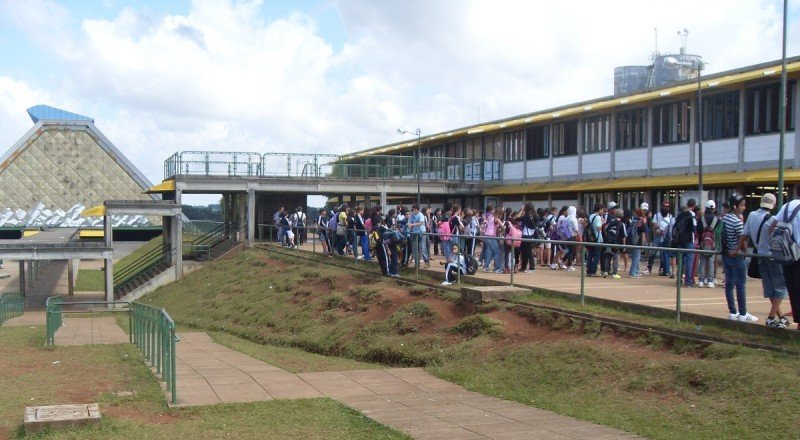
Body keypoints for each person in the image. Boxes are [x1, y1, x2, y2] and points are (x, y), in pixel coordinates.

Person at [741, 193, 787, 328]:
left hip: (760, 255)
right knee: (779, 288)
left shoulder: (752, 215)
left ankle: (781, 317)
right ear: (772, 205)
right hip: (772, 256)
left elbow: (744, 234)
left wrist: (737, 249)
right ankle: (771, 318)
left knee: (770, 287)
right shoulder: (773, 219)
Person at [722, 193, 757, 322]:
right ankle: (743, 313)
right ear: (735, 206)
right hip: (736, 256)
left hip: (726, 255)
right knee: (741, 284)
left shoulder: (724, 218)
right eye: (742, 205)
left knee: (729, 284)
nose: (744, 208)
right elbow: (742, 240)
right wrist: (743, 249)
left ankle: (733, 312)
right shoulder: (737, 221)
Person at [776, 186, 800, 330]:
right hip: (798, 252)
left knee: (792, 288)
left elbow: (772, 226)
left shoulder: (786, 206)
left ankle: (798, 320)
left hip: (786, 253)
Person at [674, 198, 698, 287]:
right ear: (694, 205)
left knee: (680, 260)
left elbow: (675, 226)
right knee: (689, 261)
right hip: (689, 240)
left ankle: (678, 279)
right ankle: (688, 281)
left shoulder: (680, 214)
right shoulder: (692, 215)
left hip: (680, 240)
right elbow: (693, 229)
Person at [697, 200, 720, 287]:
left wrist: (699, 242)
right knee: (711, 262)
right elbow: (719, 233)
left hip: (703, 243)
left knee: (702, 262)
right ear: (714, 209)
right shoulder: (717, 219)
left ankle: (701, 281)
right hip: (713, 244)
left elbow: (698, 232)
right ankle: (710, 281)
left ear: (706, 208)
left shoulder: (701, 219)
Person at [408, 203, 429, 268]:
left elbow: (421, 223)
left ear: (417, 209)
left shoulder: (421, 215)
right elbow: (409, 223)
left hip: (421, 232)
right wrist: (409, 226)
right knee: (415, 248)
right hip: (414, 232)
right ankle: (417, 264)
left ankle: (427, 261)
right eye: (413, 210)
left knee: (422, 248)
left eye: (415, 210)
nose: (414, 211)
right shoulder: (411, 215)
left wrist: (412, 225)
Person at [586, 202, 605, 276]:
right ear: (599, 209)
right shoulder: (597, 217)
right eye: (602, 209)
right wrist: (602, 223)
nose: (602, 211)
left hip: (590, 238)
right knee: (596, 256)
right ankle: (593, 271)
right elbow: (598, 228)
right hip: (597, 239)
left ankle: (589, 270)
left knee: (590, 255)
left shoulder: (590, 216)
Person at [628, 208, 647, 278]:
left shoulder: (633, 221)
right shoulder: (642, 223)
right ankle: (633, 272)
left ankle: (636, 271)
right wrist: (643, 244)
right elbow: (643, 234)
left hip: (632, 241)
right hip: (638, 242)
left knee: (634, 257)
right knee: (636, 258)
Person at [519, 203, 537, 273]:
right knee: (526, 252)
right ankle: (524, 267)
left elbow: (517, 218)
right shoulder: (535, 216)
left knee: (527, 252)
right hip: (531, 235)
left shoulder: (526, 216)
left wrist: (521, 211)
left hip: (526, 235)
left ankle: (531, 267)